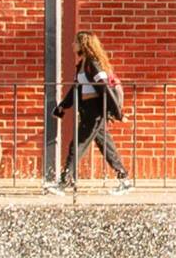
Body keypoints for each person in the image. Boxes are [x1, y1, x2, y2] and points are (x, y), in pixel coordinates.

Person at [49, 31, 131, 194]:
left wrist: (117, 113)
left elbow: (104, 88)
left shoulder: (92, 64)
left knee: (77, 145)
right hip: (88, 110)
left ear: (84, 44)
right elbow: (76, 89)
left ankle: (66, 182)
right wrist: (63, 106)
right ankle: (124, 180)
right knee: (107, 146)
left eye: (76, 42)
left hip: (95, 111)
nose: (73, 45)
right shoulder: (82, 64)